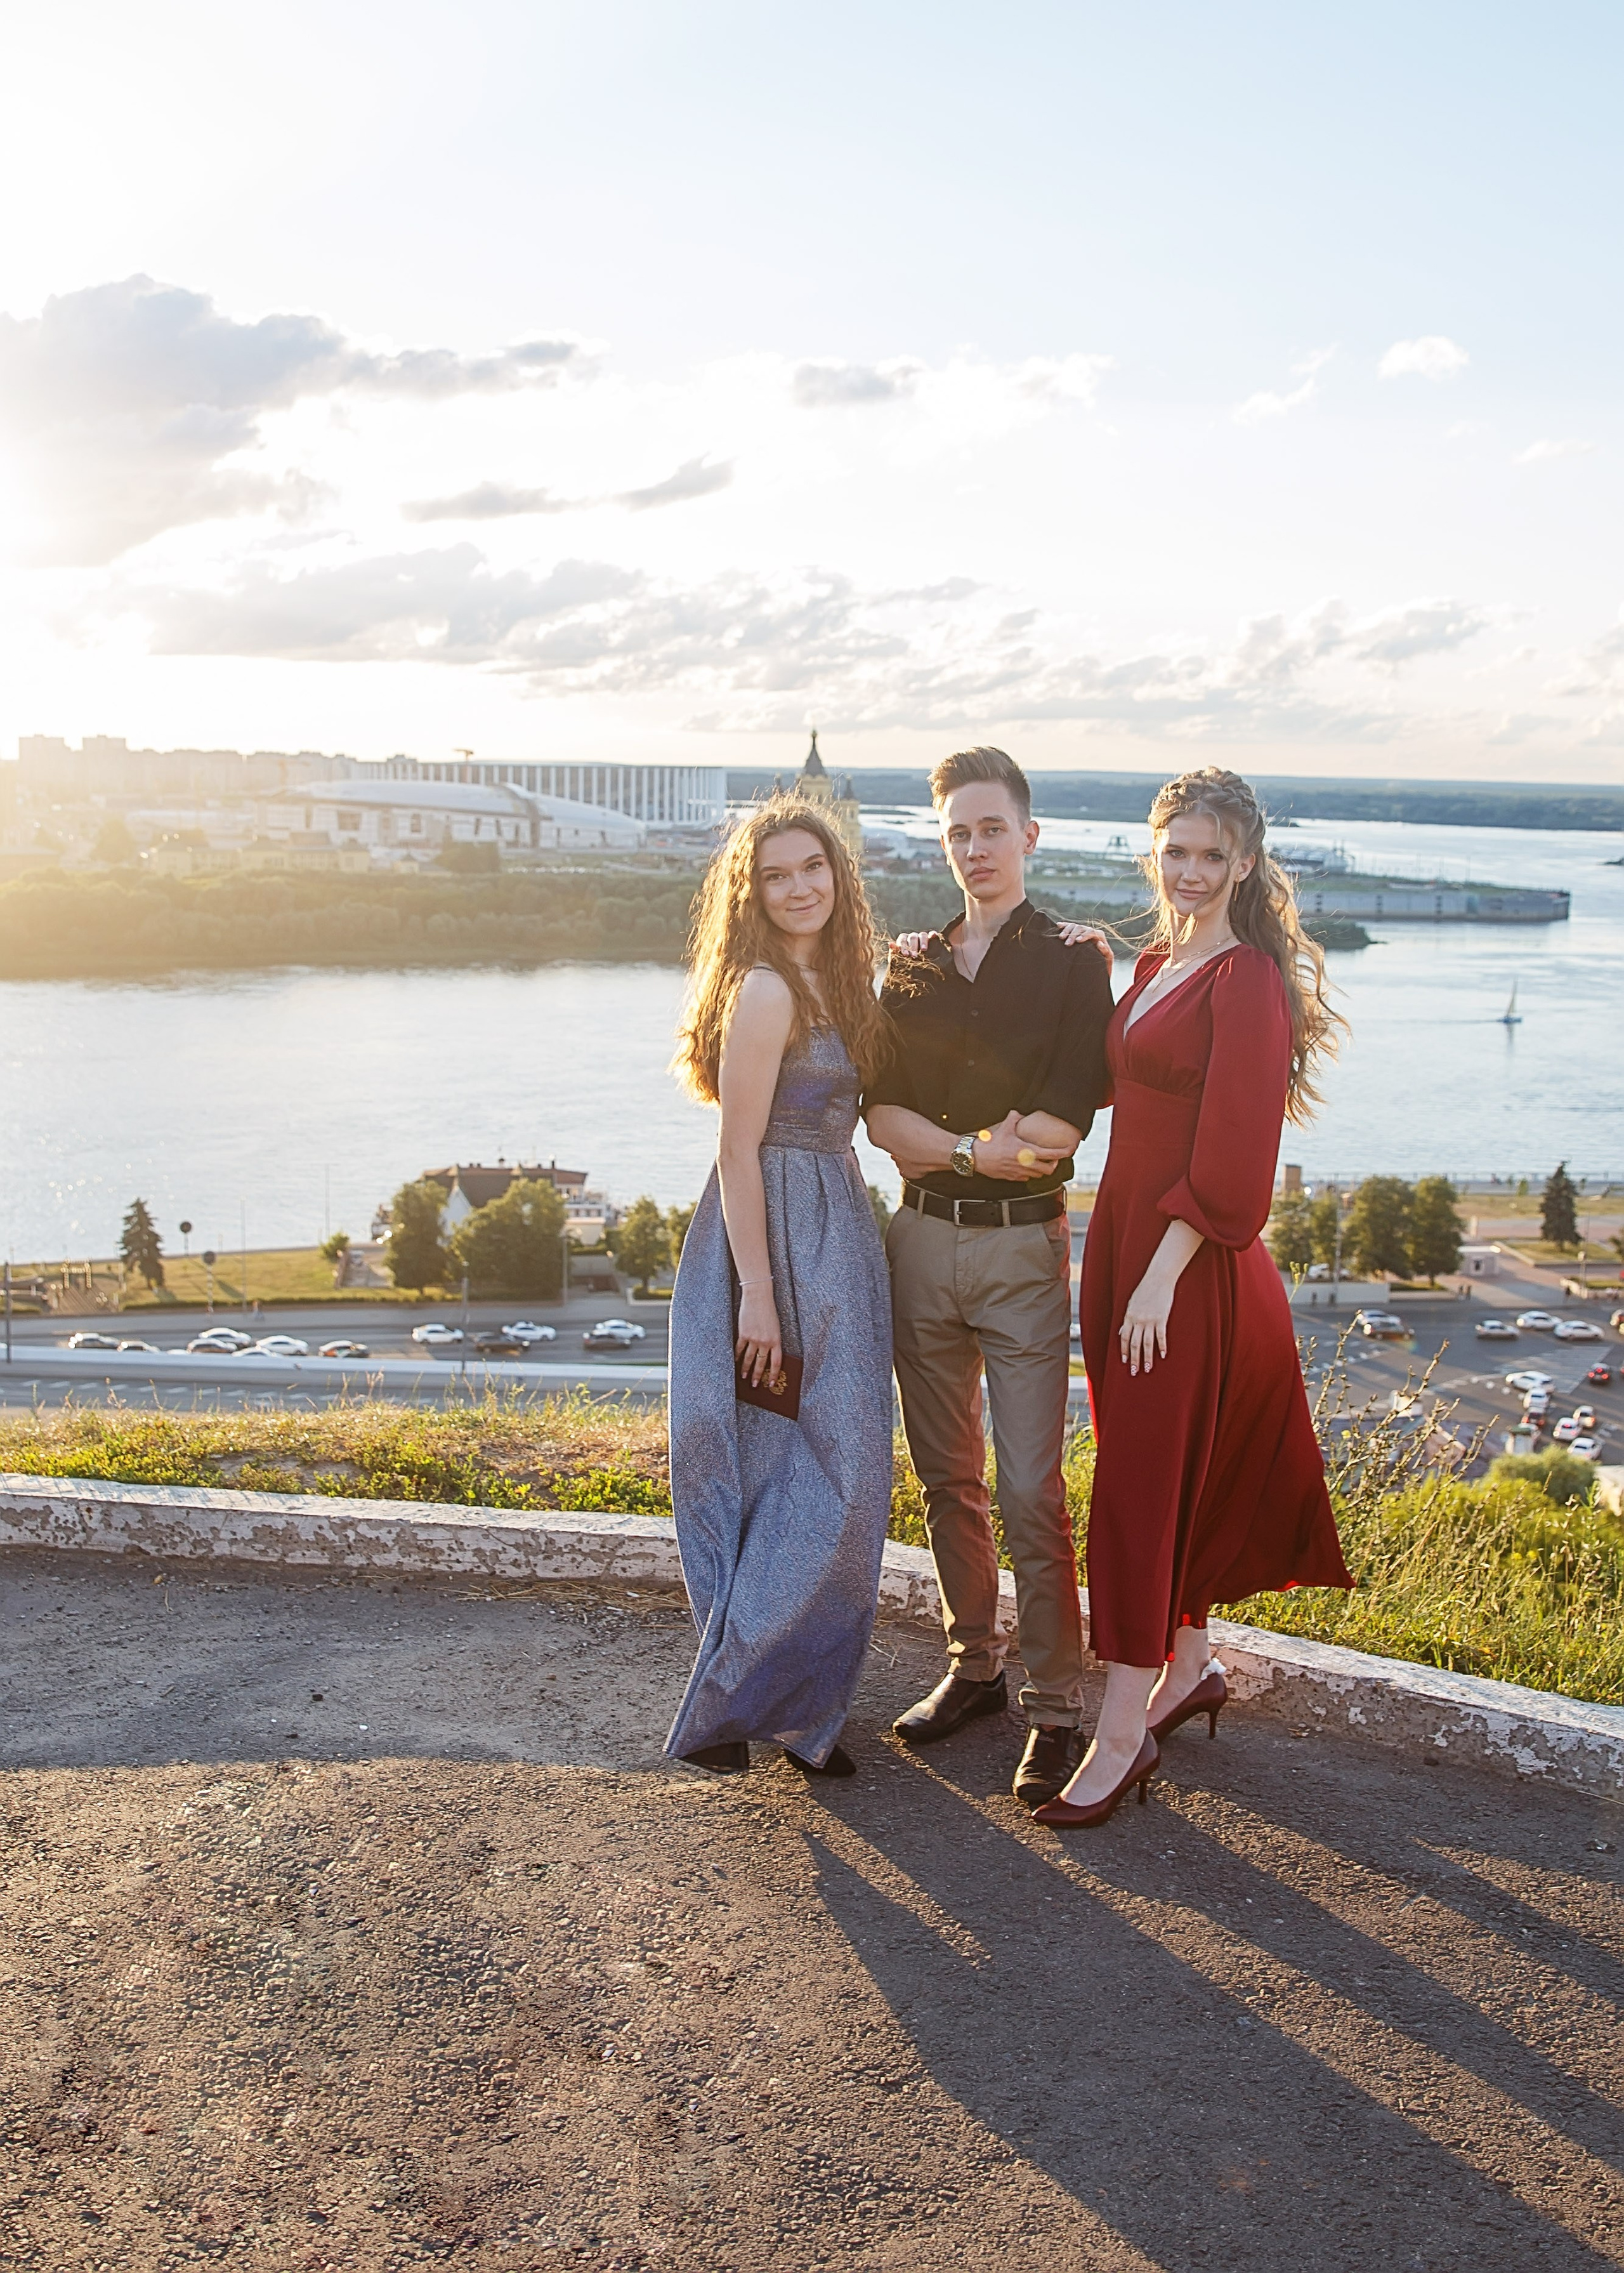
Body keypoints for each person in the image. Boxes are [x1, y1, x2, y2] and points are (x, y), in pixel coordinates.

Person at [1034, 766, 1353, 1829]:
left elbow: (1234, 1161)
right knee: (1159, 1466)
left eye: (1212, 855)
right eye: (1175, 851)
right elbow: (1135, 1074)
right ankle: (1192, 1665)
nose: (1190, 871)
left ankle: (1121, 1733)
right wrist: (1093, 955)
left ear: (1246, 862)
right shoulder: (1163, 961)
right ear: (1153, 853)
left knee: (1133, 1485)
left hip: (1186, 1266)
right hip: (1124, 1243)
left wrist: (1160, 1276)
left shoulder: (1250, 981)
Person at [865, 746, 1114, 1808]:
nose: (976, 848)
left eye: (993, 828)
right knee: (946, 1478)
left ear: (1029, 835)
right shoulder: (909, 963)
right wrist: (974, 1150)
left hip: (1021, 1251)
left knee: (1028, 1488)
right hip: (921, 1242)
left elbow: (1059, 1131)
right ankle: (976, 1664)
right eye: (958, 832)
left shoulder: (1071, 959)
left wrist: (957, 1141)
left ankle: (1056, 1704)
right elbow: (884, 1123)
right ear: (945, 842)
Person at [665, 796, 895, 1777]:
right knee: (798, 1470)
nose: (800, 886)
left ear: (838, 877)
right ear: (750, 893)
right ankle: (743, 1701)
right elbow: (738, 1147)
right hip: (771, 1237)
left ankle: (796, 1710)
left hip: (835, 1223)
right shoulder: (764, 989)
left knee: (835, 1472)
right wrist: (758, 1294)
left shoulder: (835, 976)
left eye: (814, 867)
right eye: (777, 874)